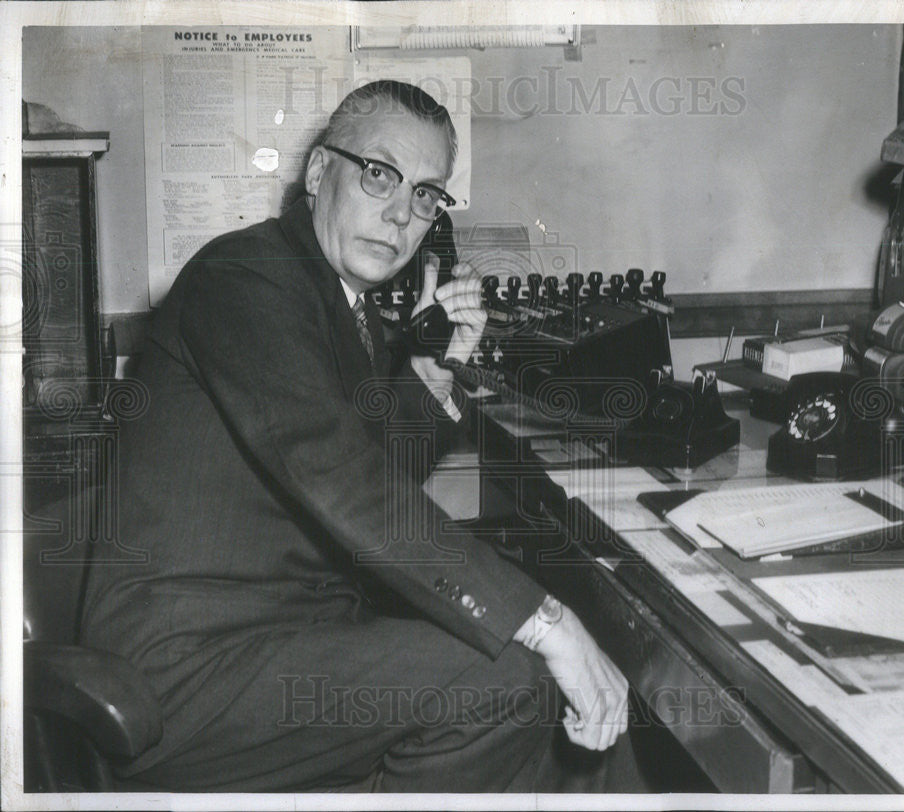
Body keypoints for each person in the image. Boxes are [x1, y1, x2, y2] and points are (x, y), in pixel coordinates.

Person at [81, 80, 646, 792]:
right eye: (379, 174)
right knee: (499, 677)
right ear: (320, 174)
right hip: (186, 670)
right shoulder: (244, 279)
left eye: (425, 194)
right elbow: (340, 476)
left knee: (543, 667)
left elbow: (372, 474)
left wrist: (446, 363)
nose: (401, 215)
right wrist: (547, 622)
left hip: (291, 632)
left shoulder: (346, 305)